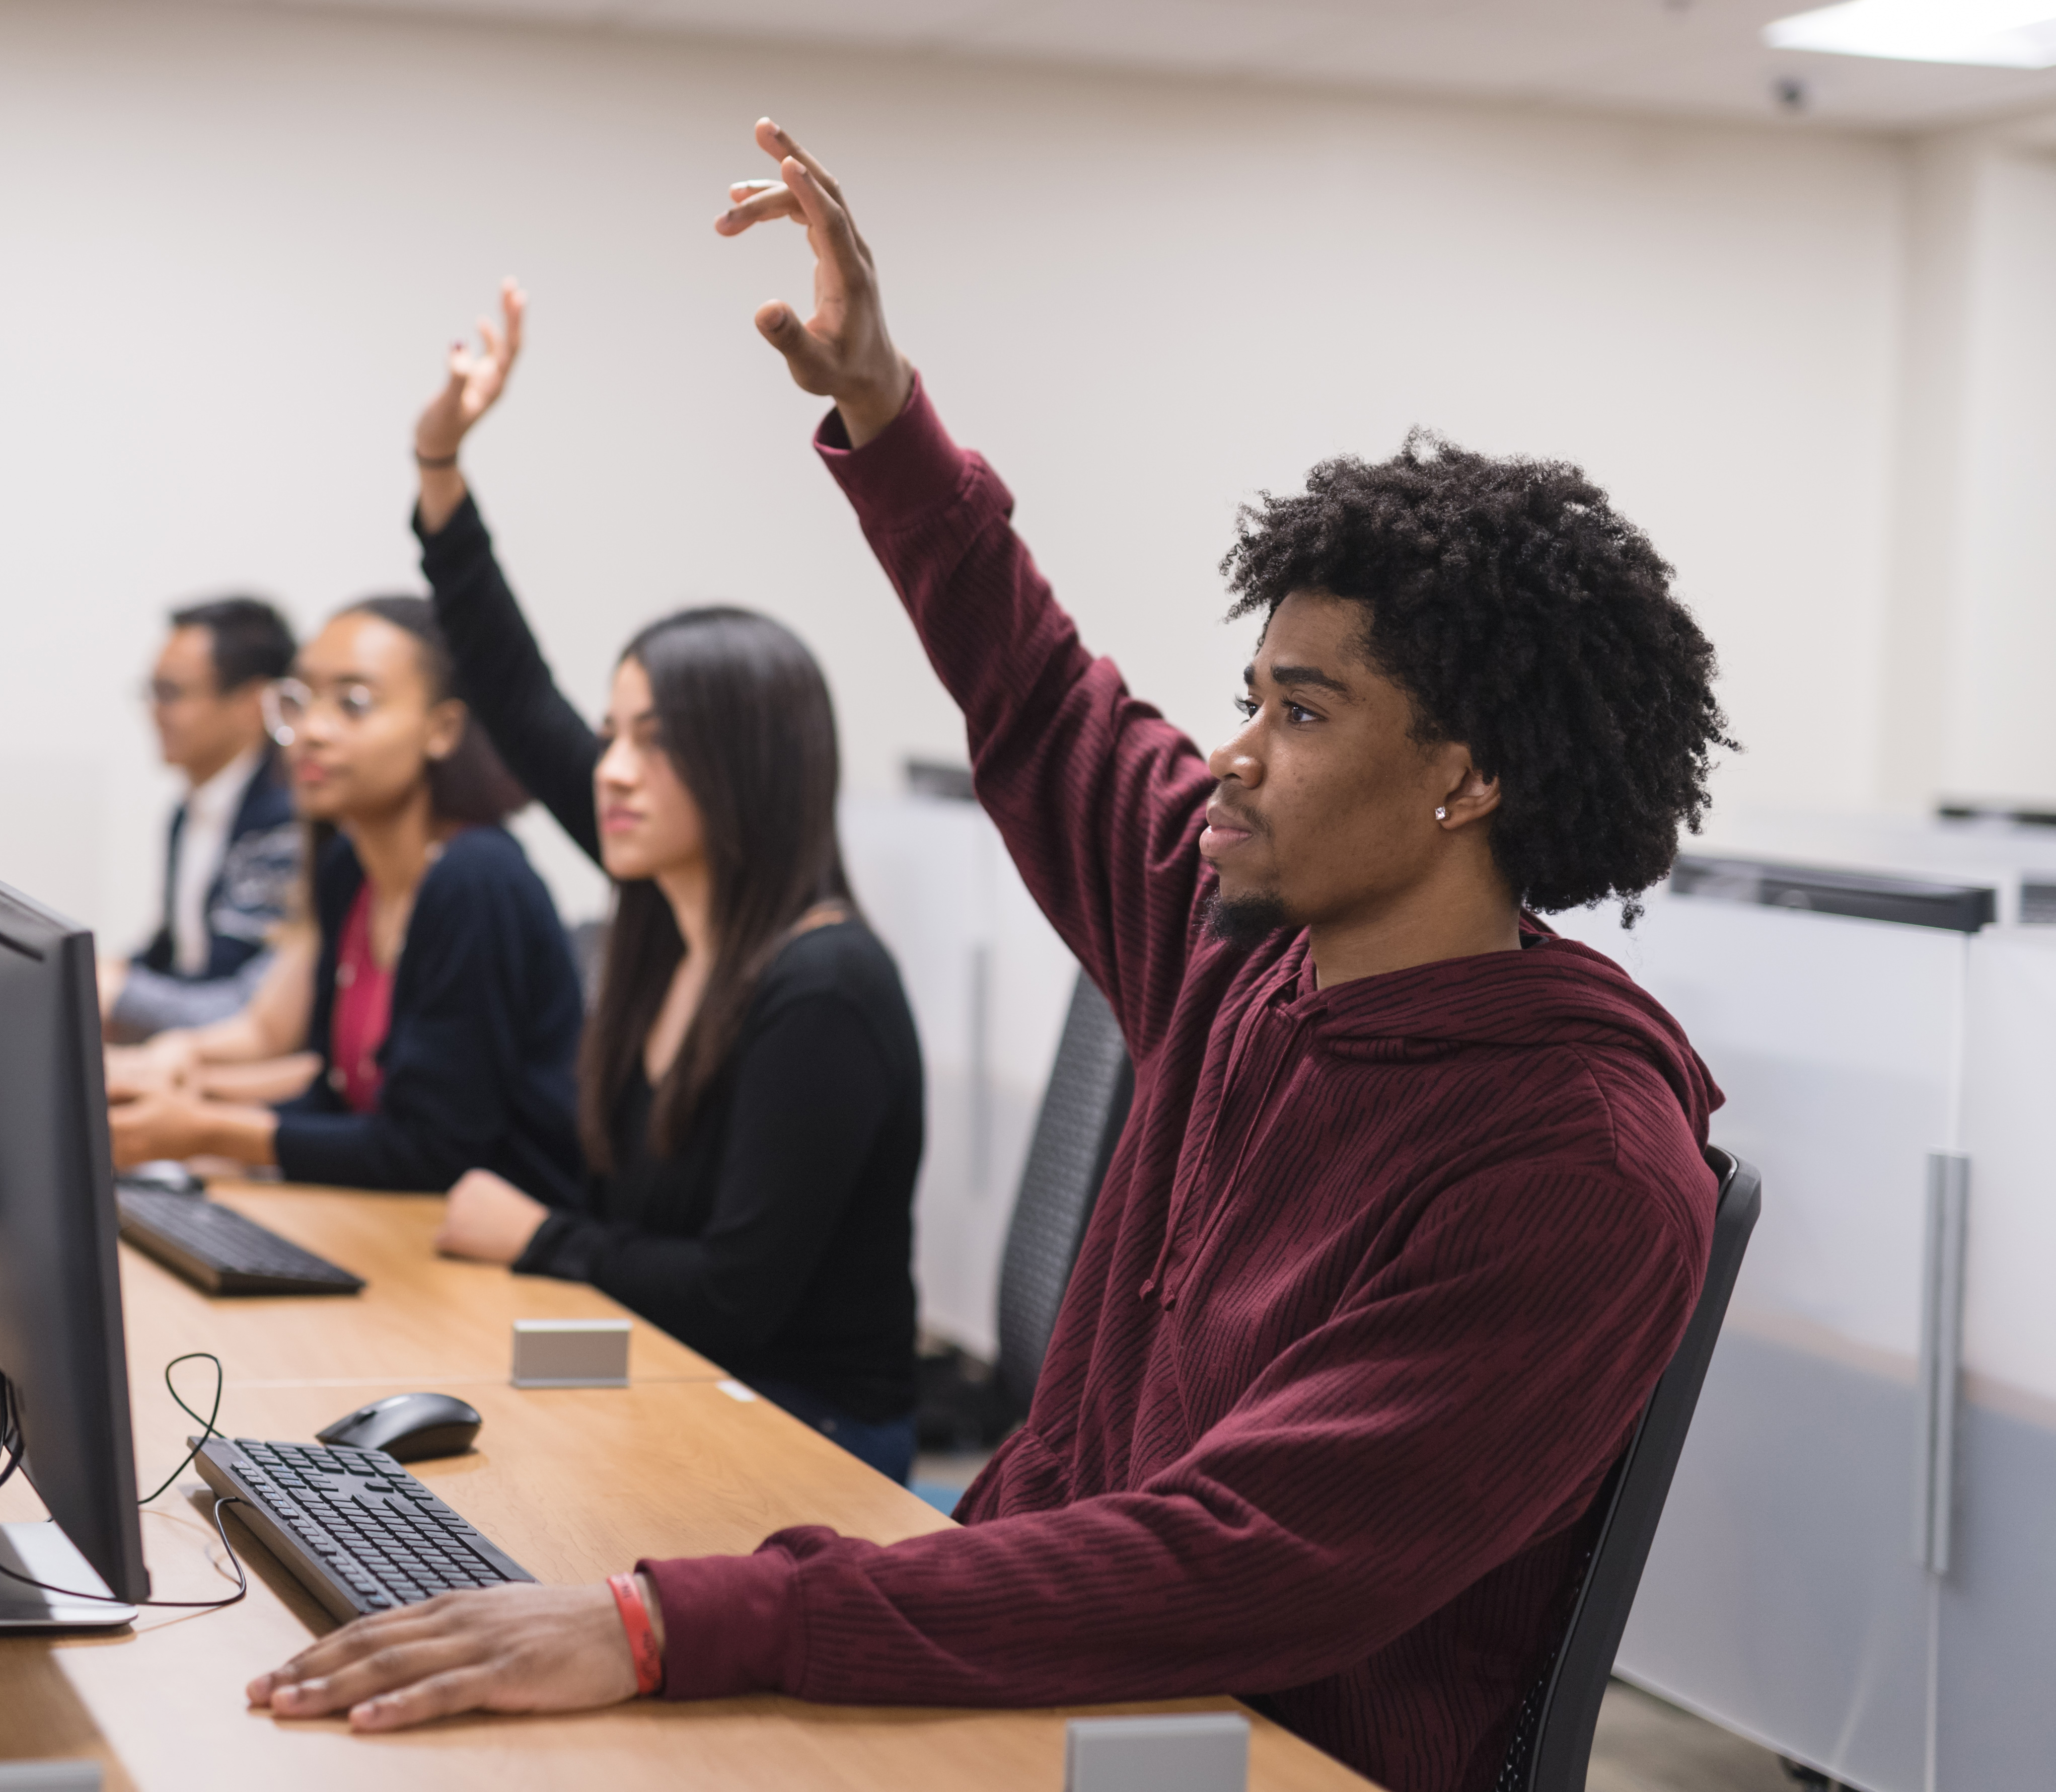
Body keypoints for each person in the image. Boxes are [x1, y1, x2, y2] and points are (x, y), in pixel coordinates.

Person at [246, 118, 1737, 1792]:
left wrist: (680, 1625)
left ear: (1473, 779)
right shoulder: (1245, 947)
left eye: (1301, 714)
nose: (1236, 754)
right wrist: (884, 413)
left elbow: (1235, 1563)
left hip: (1253, 1753)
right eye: (1250, 697)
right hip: (1050, 1681)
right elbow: (1039, 691)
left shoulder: (1579, 1170)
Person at [406, 282, 926, 1481]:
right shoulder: (665, 905)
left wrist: (537, 1233)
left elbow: (736, 1298)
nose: (612, 770)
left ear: (744, 767)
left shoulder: (823, 988)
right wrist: (438, 462)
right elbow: (512, 688)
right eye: (612, 732)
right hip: (673, 1370)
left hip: (807, 1434)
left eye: (654, 740)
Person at [106, 596, 585, 1200]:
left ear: (443, 730)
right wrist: (188, 1098)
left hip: (493, 1246)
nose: (311, 731)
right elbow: (337, 1095)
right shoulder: (348, 869)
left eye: (353, 704)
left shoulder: (475, 879)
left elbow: (432, 1148)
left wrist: (206, 1128)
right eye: (300, 702)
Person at [101, 595, 306, 1042]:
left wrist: (117, 993)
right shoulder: (187, 811)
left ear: (255, 703)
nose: (154, 711)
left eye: (171, 693)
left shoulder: (287, 824)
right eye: (152, 691)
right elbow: (175, 951)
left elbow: (240, 1000)